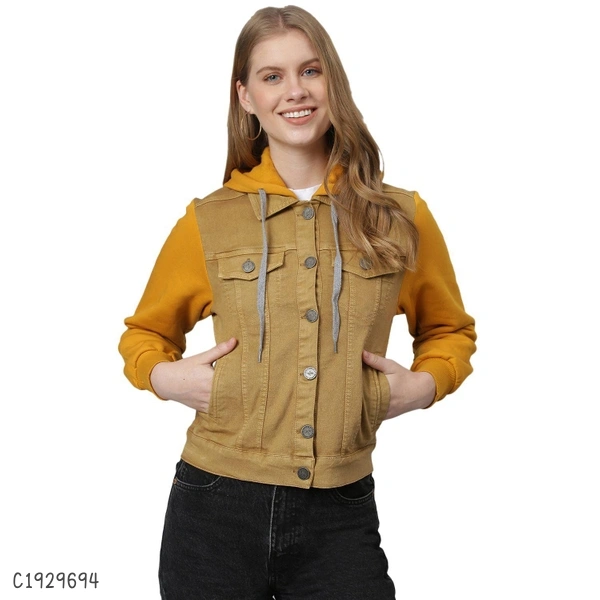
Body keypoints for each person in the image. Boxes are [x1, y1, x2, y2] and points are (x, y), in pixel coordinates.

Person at [119, 5, 476, 599]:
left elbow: (449, 330)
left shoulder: (399, 216)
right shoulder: (209, 220)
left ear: (333, 80)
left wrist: (425, 385)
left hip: (341, 511)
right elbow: (144, 335)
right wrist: (165, 378)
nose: (296, 91)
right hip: (213, 508)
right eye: (272, 76)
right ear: (246, 97)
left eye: (311, 71)